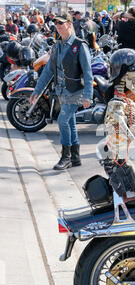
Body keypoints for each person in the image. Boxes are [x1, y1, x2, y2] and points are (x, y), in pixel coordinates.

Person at [29, 13, 93, 171]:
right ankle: (75, 157)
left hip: (76, 91)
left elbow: (88, 72)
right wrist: (36, 91)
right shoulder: (57, 45)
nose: (58, 25)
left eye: (61, 23)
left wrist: (87, 96)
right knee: (70, 122)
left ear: (69, 24)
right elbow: (48, 71)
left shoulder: (80, 45)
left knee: (62, 121)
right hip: (61, 91)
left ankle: (66, 157)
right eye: (56, 23)